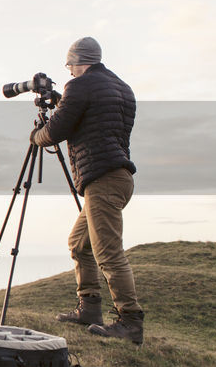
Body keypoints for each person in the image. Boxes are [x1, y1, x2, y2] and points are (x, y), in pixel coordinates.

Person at [30, 37, 143, 345]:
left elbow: (56, 131)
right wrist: (64, 103)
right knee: (80, 244)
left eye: (69, 66)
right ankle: (89, 308)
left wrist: (36, 135)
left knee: (108, 252)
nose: (68, 72)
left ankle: (130, 321)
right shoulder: (121, 87)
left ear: (78, 61)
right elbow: (92, 120)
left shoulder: (80, 87)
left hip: (102, 179)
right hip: (119, 177)